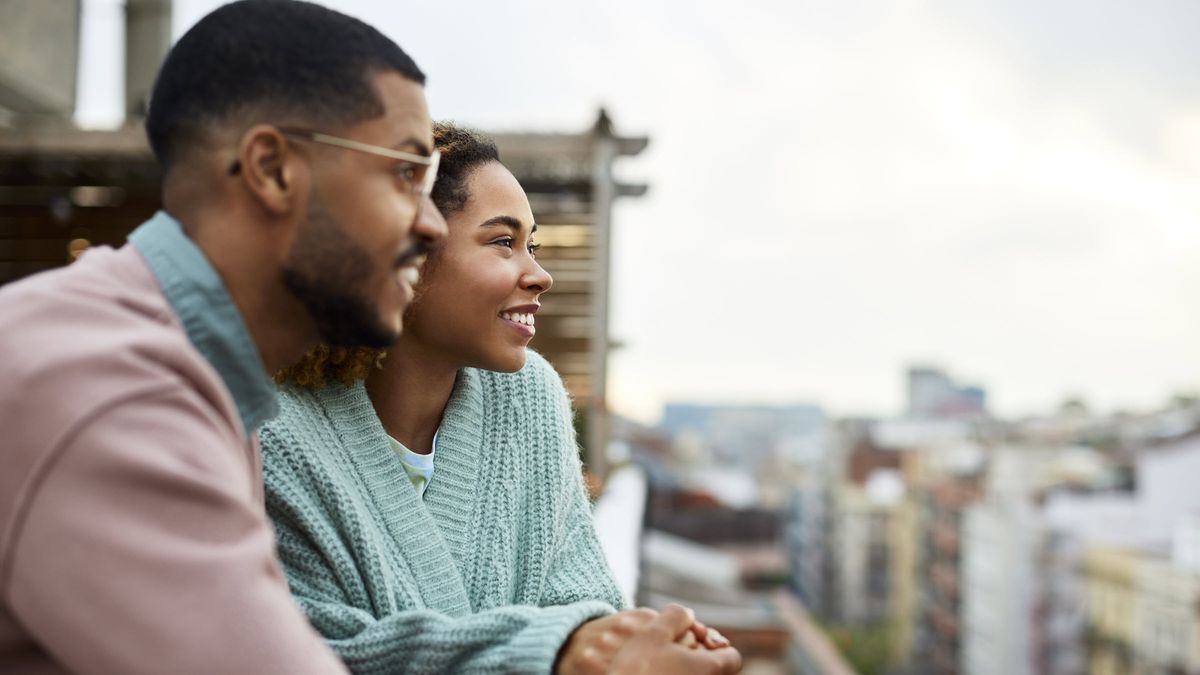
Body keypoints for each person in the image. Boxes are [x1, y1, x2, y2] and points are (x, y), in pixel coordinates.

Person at [0, 1, 446, 672]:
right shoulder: (113, 392)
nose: (433, 223)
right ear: (270, 168)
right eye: (406, 172)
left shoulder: (188, 368)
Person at [262, 123, 742, 674]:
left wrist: (634, 639)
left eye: (531, 246)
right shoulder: (269, 429)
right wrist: (553, 654)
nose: (539, 275)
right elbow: (311, 651)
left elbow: (579, 591)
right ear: (402, 253)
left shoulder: (528, 396)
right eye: (502, 242)